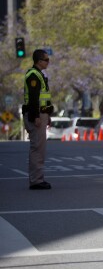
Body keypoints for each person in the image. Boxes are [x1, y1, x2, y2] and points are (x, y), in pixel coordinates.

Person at [23, 49, 53, 190]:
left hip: (42, 114)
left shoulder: (39, 75)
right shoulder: (33, 75)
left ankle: (37, 179)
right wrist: (35, 116)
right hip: (37, 115)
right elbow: (34, 98)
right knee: (37, 148)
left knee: (39, 148)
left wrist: (48, 116)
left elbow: (43, 98)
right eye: (46, 60)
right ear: (39, 61)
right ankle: (36, 181)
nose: (48, 62)